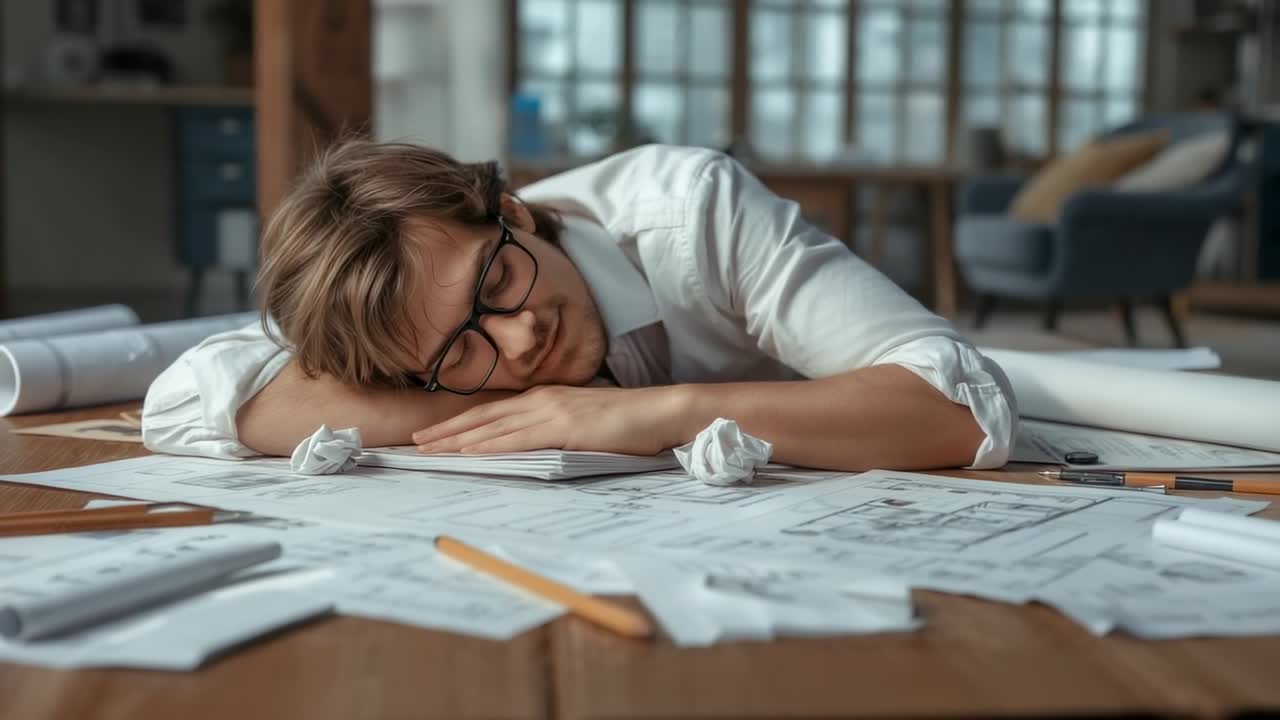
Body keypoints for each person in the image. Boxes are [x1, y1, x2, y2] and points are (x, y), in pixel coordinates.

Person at [143, 140, 1016, 471]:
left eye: (496, 282)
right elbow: (183, 402)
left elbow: (960, 405)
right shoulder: (411, 330)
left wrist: (652, 414)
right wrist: (506, 408)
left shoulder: (693, 210)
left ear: (512, 213)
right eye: (462, 351)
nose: (521, 339)